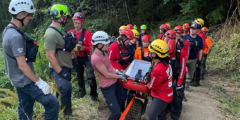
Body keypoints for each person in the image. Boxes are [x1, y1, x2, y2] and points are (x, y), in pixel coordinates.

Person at [2, 0, 59, 119]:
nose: (31, 17)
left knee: (25, 109)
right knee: (52, 103)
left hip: (18, 80)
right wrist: (39, 82)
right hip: (25, 81)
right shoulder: (15, 37)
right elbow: (22, 65)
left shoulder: (8, 31)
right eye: (29, 14)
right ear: (21, 14)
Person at [91, 31, 128, 120]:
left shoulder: (103, 52)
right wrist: (120, 76)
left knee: (119, 105)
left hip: (115, 83)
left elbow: (109, 67)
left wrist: (117, 71)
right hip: (108, 87)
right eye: (106, 44)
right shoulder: (96, 58)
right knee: (116, 113)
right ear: (99, 44)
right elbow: (107, 75)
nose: (107, 45)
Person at [44, 4, 73, 115]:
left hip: (66, 65)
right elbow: (50, 56)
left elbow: (64, 48)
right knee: (66, 87)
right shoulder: (50, 34)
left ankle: (58, 109)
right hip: (58, 68)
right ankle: (66, 113)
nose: (66, 19)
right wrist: (61, 72)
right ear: (60, 17)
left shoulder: (60, 29)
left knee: (60, 89)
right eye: (65, 17)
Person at [68, 12, 98, 100]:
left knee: (90, 77)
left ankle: (94, 96)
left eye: (78, 23)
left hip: (87, 57)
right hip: (77, 58)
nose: (76, 25)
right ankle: (82, 94)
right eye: (75, 23)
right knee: (79, 77)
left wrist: (83, 48)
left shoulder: (87, 33)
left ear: (82, 23)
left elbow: (91, 47)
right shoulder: (70, 33)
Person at [146, 40, 173, 120]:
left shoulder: (158, 69)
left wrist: (147, 83)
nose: (149, 53)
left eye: (150, 52)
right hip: (166, 92)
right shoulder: (164, 62)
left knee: (150, 116)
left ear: (154, 54)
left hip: (162, 96)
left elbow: (153, 87)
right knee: (161, 113)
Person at [108, 28, 133, 111]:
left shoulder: (125, 46)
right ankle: (117, 107)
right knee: (121, 92)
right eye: (128, 40)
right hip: (116, 72)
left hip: (124, 71)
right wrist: (118, 70)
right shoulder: (114, 46)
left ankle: (121, 106)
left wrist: (130, 67)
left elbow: (126, 59)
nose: (129, 42)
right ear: (123, 38)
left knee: (124, 92)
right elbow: (109, 61)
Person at [183, 22, 203, 88]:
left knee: (191, 74)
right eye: (191, 28)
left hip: (193, 59)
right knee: (181, 72)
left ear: (197, 30)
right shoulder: (185, 36)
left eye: (194, 29)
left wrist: (199, 60)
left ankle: (186, 86)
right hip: (184, 58)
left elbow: (201, 49)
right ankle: (180, 87)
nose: (192, 30)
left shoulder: (199, 39)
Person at [191, 18, 205, 86]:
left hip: (198, 55)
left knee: (197, 69)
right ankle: (193, 80)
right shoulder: (198, 34)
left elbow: (201, 47)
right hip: (195, 55)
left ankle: (196, 81)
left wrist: (199, 59)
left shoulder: (201, 35)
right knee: (194, 68)